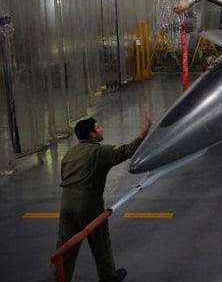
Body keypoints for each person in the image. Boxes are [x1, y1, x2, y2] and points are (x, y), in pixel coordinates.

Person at [55, 111, 152, 282]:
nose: (102, 129)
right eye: (98, 127)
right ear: (92, 134)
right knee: (101, 244)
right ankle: (108, 278)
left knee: (66, 249)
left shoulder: (70, 153)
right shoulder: (99, 152)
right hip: (88, 205)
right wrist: (146, 128)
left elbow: (64, 176)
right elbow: (130, 149)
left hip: (66, 204)